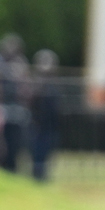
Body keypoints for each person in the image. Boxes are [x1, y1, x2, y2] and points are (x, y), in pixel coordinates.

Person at [26, 50, 62, 183]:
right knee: (37, 151)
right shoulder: (36, 83)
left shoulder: (54, 84)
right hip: (37, 124)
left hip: (50, 125)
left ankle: (43, 174)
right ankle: (37, 174)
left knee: (47, 150)